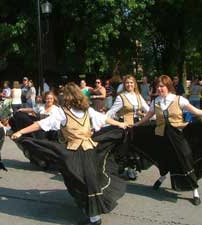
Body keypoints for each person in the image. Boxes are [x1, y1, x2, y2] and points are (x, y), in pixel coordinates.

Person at [11, 82, 127, 225]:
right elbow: (42, 124)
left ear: (68, 97)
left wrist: (20, 131)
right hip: (87, 150)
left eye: (64, 95)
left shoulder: (79, 111)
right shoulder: (78, 110)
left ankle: (94, 217)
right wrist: (118, 124)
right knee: (88, 180)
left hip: (77, 153)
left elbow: (40, 124)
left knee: (80, 181)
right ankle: (93, 215)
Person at [132, 75, 202, 206]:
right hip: (162, 137)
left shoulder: (179, 99)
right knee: (165, 159)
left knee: (185, 160)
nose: (159, 88)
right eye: (157, 86)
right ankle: (162, 177)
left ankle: (195, 190)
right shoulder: (155, 102)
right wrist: (135, 126)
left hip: (178, 136)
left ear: (168, 87)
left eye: (162, 86)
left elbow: (196, 111)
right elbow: (147, 118)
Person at [107, 75, 150, 180]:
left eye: (131, 82)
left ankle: (131, 169)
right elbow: (111, 112)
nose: (129, 84)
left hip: (137, 126)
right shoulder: (121, 97)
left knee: (137, 149)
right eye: (127, 83)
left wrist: (145, 115)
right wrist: (103, 121)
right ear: (124, 84)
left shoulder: (138, 96)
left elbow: (149, 110)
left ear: (135, 84)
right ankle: (128, 169)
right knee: (127, 149)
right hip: (126, 126)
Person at [10, 91, 60, 168]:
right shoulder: (41, 107)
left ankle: (43, 158)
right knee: (19, 116)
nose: (49, 100)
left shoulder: (56, 109)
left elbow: (52, 123)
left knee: (38, 135)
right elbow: (32, 109)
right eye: (47, 98)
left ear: (53, 99)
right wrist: (21, 110)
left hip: (49, 130)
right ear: (45, 99)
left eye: (50, 98)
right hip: (38, 127)